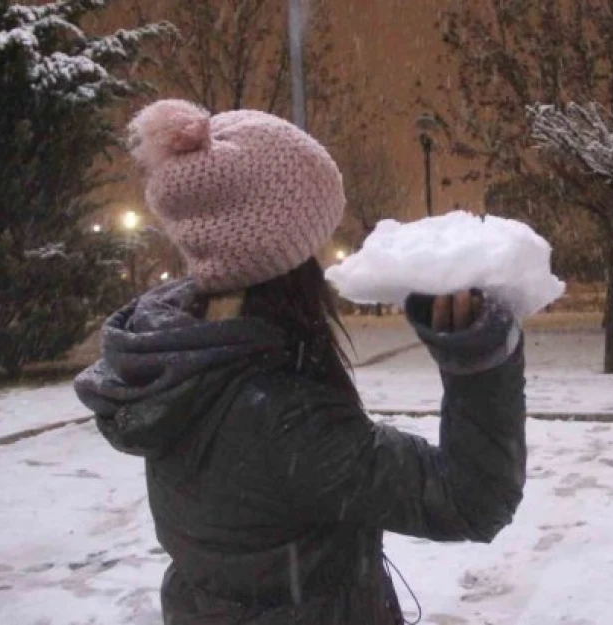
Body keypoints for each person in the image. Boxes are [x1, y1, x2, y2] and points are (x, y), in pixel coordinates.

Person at [74, 99, 528, 624]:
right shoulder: (283, 417)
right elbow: (471, 498)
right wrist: (479, 358)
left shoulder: (179, 362)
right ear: (286, 257)